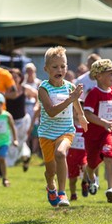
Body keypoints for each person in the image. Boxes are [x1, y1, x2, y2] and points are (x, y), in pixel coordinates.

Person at [37, 46, 87, 207]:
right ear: (46, 69)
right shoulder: (43, 88)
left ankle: (62, 193)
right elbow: (51, 112)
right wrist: (70, 99)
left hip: (66, 131)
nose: (59, 70)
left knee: (60, 154)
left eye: (63, 66)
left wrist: (82, 116)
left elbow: (76, 104)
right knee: (50, 171)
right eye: (55, 67)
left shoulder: (69, 86)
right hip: (46, 134)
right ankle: (51, 186)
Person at [82, 59, 112, 202]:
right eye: (110, 74)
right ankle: (90, 177)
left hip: (107, 132)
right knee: (92, 164)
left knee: (110, 156)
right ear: (98, 76)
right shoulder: (94, 93)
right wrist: (103, 122)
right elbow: (87, 114)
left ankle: (111, 189)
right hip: (93, 135)